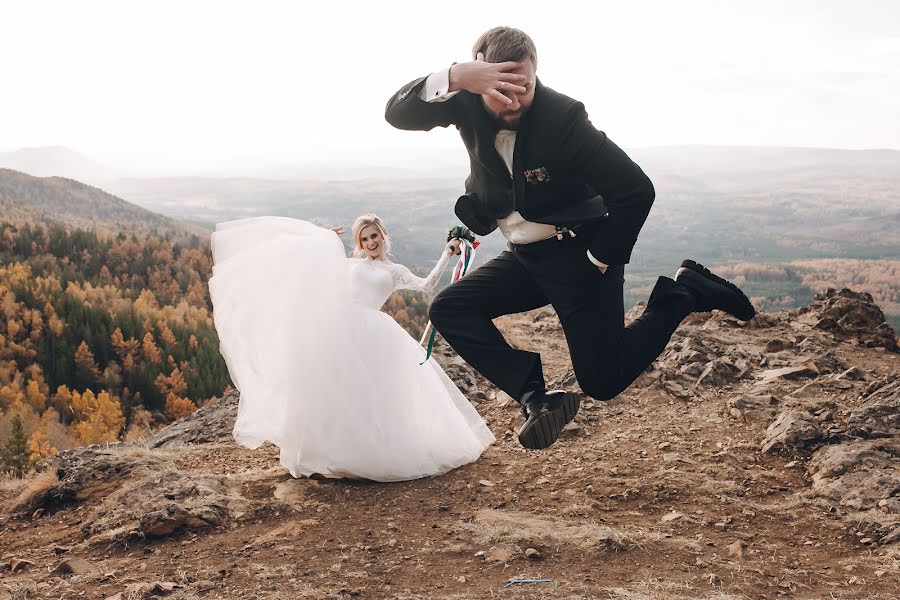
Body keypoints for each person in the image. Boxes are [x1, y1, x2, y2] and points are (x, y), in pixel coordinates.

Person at [385, 26, 755, 451]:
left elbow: (637, 190)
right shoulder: (465, 102)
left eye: (522, 88)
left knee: (603, 380)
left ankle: (684, 294)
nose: (511, 101)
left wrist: (599, 260)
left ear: (535, 74)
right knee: (451, 307)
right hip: (524, 256)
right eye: (497, 89)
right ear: (477, 79)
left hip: (579, 253)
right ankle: (535, 397)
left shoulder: (563, 119)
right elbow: (397, 113)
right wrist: (453, 76)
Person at [208, 215, 494, 481]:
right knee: (337, 390)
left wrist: (448, 253)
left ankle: (375, 450)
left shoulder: (395, 271)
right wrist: (322, 241)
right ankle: (332, 450)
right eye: (365, 239)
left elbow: (427, 284)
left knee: (373, 393)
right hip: (341, 326)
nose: (371, 242)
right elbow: (320, 271)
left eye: (374, 236)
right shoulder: (352, 264)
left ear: (383, 236)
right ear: (360, 243)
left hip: (374, 332)